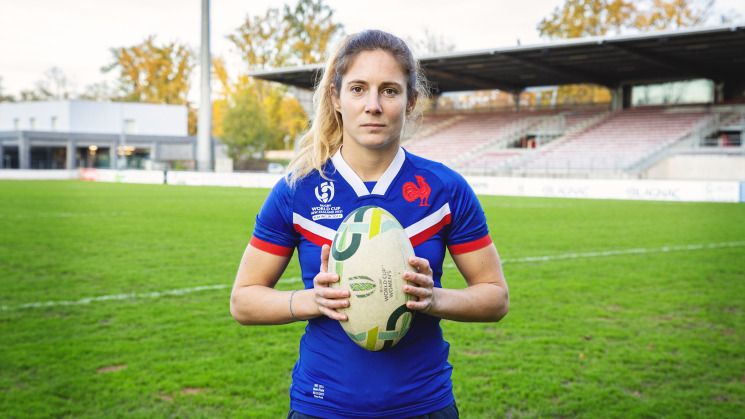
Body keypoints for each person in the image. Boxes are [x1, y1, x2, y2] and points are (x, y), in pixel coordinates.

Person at [230, 29, 509, 419]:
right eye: (358, 89)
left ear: (411, 101)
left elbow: (496, 297)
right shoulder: (298, 190)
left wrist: (434, 298)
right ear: (336, 97)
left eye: (390, 91)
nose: (373, 105)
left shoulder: (445, 189)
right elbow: (243, 300)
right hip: (322, 406)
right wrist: (312, 300)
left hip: (424, 405)